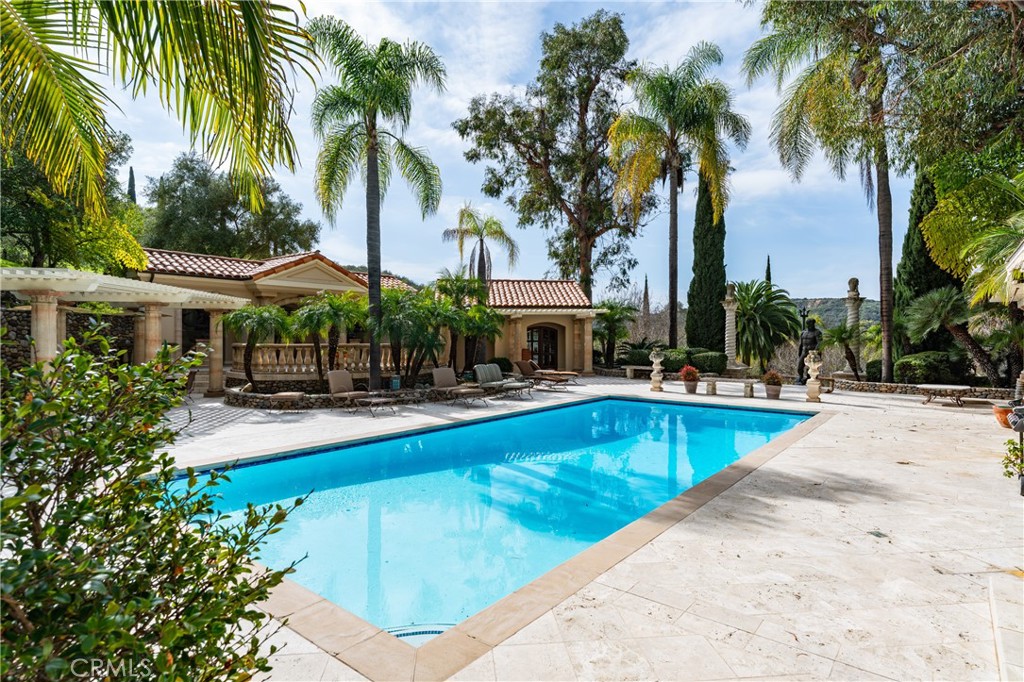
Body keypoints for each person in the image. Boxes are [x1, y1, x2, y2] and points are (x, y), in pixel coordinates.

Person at [796, 319, 822, 385]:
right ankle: (800, 377)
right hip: (804, 352)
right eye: (809, 323)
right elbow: (801, 344)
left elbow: (819, 343)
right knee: (800, 366)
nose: (811, 325)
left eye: (812, 323)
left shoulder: (817, 332)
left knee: (812, 368)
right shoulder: (803, 332)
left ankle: (810, 379)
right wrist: (799, 352)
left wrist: (815, 352)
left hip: (812, 353)